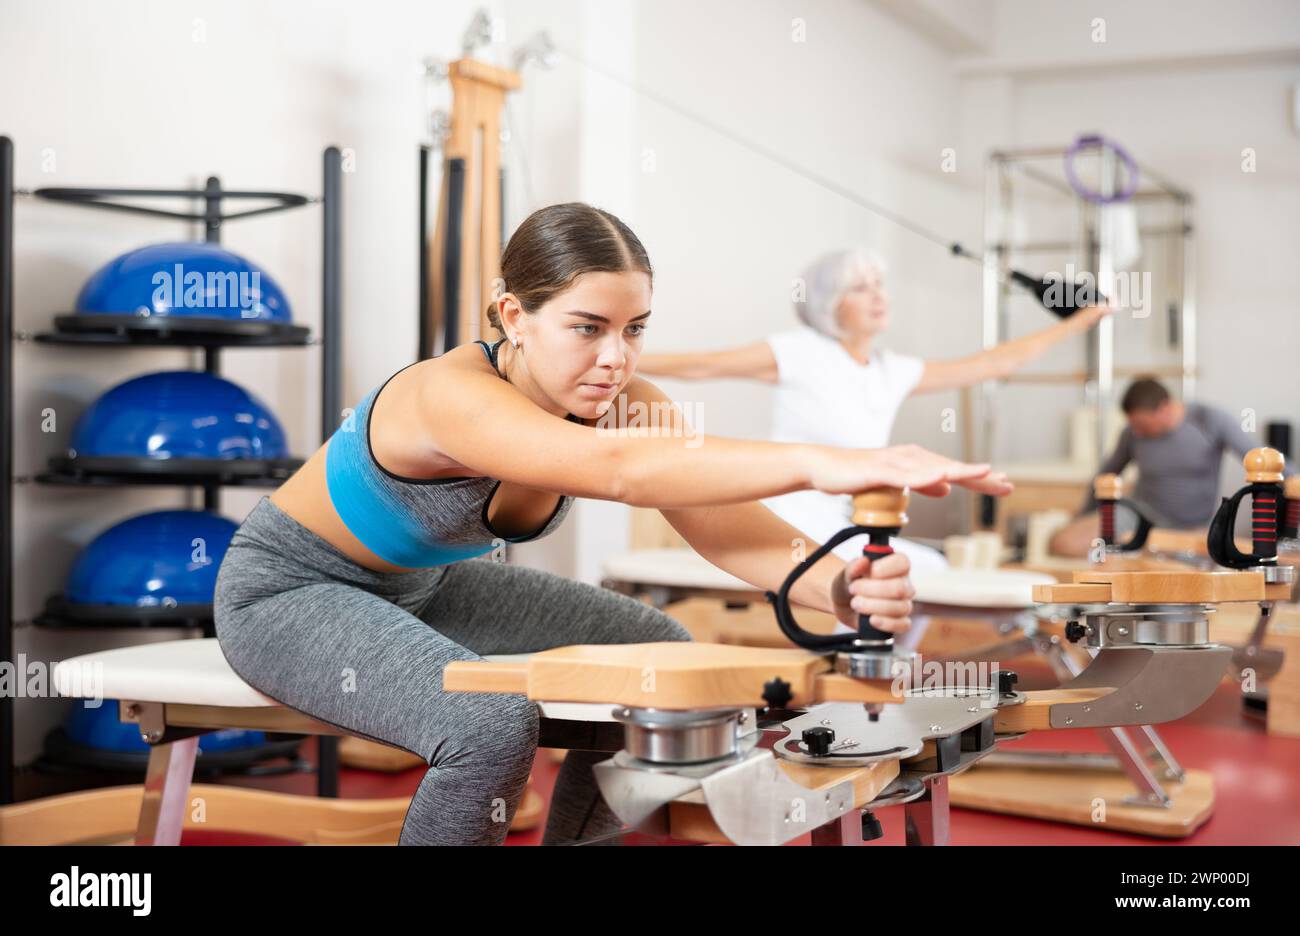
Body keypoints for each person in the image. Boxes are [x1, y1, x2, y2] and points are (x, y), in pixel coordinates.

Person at [212, 203, 1011, 846]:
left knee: (653, 659)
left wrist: (838, 583)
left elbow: (722, 523)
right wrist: (825, 462)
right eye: (587, 327)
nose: (615, 359)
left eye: (635, 330)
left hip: (421, 591)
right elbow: (623, 471)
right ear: (512, 315)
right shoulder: (448, 395)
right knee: (490, 726)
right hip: (289, 593)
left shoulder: (617, 397)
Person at [636, 247, 1110, 573]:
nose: (879, 296)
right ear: (830, 304)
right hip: (785, 512)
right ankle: (861, 671)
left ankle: (873, 669)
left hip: (839, 517)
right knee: (902, 571)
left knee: (927, 568)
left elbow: (993, 363)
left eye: (879, 284)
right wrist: (622, 357)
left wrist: (1082, 322)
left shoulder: (892, 370)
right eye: (861, 288)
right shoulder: (798, 351)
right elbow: (702, 365)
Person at [1050, 377, 1263, 557]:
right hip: (1139, 516)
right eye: (1133, 425)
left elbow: (1261, 459)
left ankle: (1144, 551)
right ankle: (1139, 551)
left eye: (1142, 425)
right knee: (1062, 542)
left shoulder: (1209, 420)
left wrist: (1294, 485)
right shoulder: (1132, 433)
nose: (1137, 432)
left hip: (1191, 530)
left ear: (1165, 408)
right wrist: (1084, 516)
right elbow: (1105, 475)